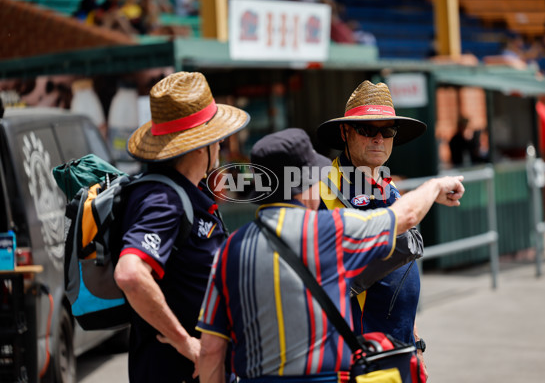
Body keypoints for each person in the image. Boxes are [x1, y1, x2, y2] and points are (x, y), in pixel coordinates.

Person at [195, 128, 465, 382]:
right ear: (305, 185)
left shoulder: (230, 249)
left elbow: (210, 350)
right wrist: (436, 186)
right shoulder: (330, 230)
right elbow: (404, 216)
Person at [113, 71, 250, 383]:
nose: (223, 144)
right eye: (218, 137)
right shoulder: (163, 199)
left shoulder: (184, 191)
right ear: (203, 144)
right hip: (174, 371)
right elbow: (130, 274)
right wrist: (184, 342)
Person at [316, 80, 430, 379]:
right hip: (359, 358)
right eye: (368, 129)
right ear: (345, 132)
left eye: (387, 130)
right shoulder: (324, 190)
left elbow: (400, 275)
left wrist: (415, 342)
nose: (379, 138)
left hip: (400, 351)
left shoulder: (389, 187)